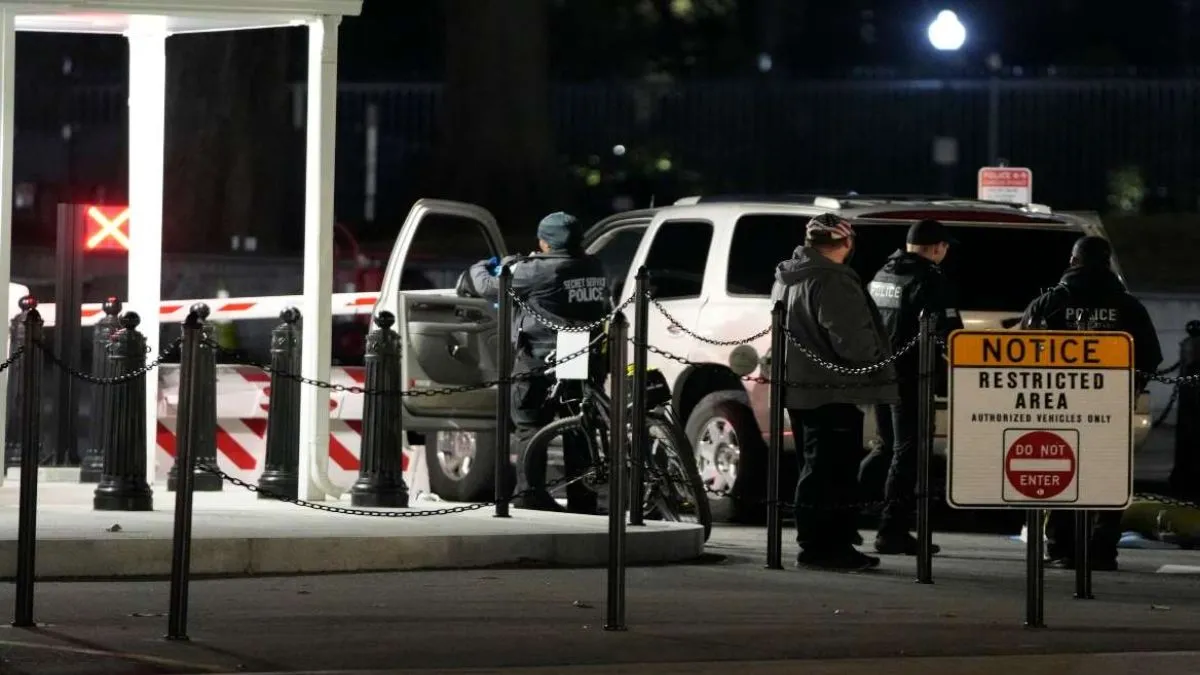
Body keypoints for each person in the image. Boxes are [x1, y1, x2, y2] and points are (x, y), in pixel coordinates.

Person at [1020, 235, 1163, 571]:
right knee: (1108, 474)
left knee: (1060, 468)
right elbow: (1151, 356)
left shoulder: (1049, 303)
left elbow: (1023, 351)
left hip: (1059, 404)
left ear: (1073, 261)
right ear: (1108, 263)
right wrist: (1132, 387)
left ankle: (1062, 548)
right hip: (1111, 405)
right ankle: (1102, 550)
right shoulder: (1128, 306)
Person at [771, 213, 899, 571]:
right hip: (834, 389)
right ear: (846, 242)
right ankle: (824, 548)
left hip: (801, 387)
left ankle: (822, 542)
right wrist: (876, 362)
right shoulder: (833, 280)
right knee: (832, 472)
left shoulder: (788, 277)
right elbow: (852, 342)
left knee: (815, 468)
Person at [467, 212, 612, 513]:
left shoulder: (536, 270)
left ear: (545, 243)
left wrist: (481, 266)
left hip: (540, 357)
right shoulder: (594, 265)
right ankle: (582, 501)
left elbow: (488, 286)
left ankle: (529, 495)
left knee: (530, 426)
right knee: (578, 427)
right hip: (582, 355)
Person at [863, 219, 963, 555]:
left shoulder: (883, 274)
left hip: (880, 372)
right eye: (945, 247)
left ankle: (841, 514)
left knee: (886, 448)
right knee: (909, 452)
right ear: (937, 248)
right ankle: (892, 530)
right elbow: (950, 332)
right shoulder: (929, 279)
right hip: (911, 376)